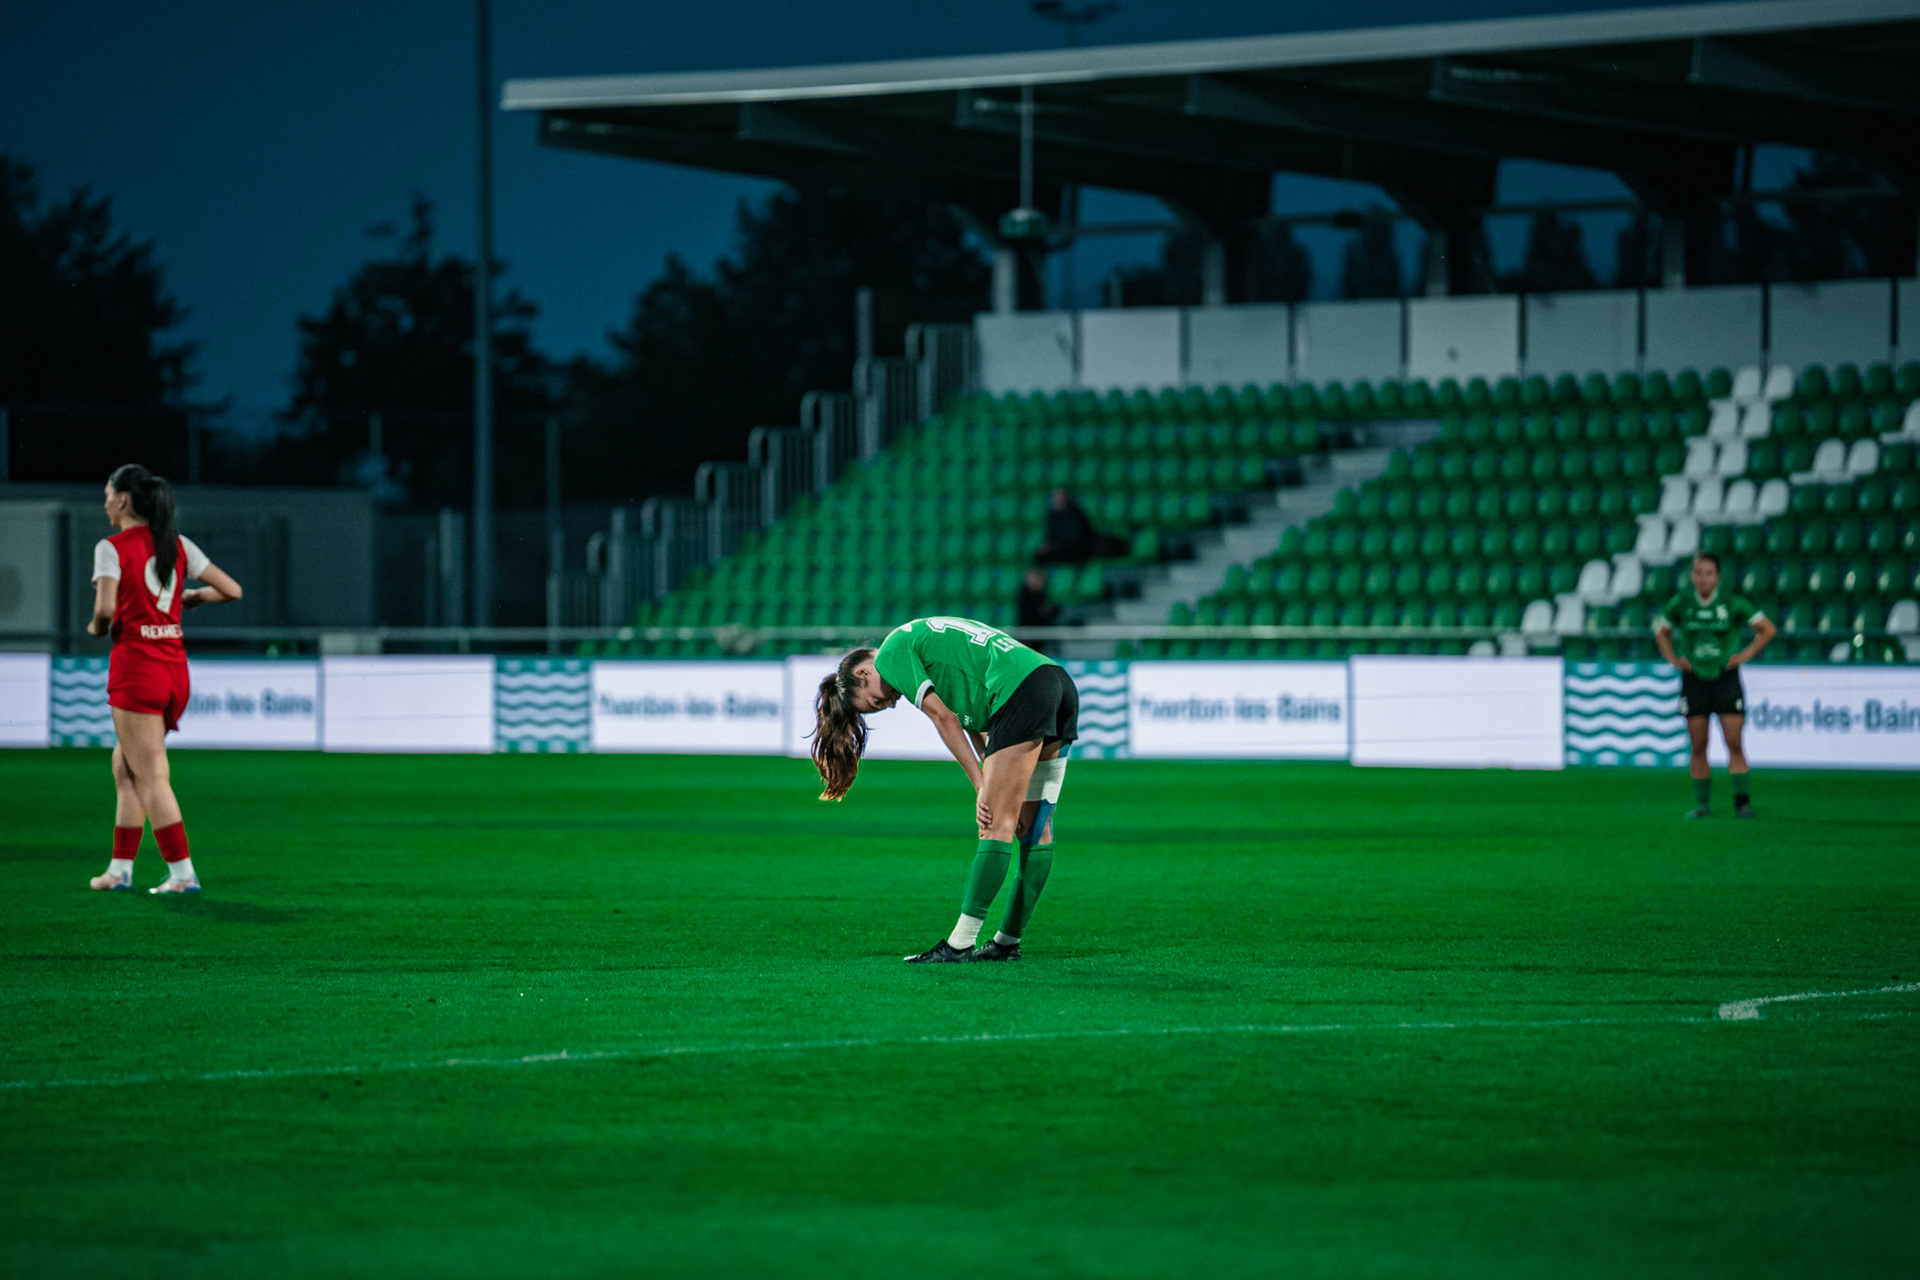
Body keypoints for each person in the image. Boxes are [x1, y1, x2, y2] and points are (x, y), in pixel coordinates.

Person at [812, 616, 1079, 963]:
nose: (890, 704)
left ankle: (959, 945)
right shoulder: (920, 642)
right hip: (1055, 682)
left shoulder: (891, 654)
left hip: (1021, 692)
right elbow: (970, 717)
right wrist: (990, 772)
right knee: (1035, 827)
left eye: (875, 703)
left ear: (863, 674)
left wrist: (982, 785)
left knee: (994, 823)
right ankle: (1007, 941)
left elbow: (945, 719)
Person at [85, 464, 244, 893]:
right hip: (174, 671)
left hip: (137, 670)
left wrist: (97, 629)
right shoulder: (176, 544)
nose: (104, 502)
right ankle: (119, 870)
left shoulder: (111, 547)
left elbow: (104, 612)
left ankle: (182, 874)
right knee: (126, 766)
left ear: (122, 499)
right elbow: (232, 589)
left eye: (107, 494)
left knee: (151, 774)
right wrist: (192, 597)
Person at [1652, 551, 1774, 820]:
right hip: (1694, 679)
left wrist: (1743, 656)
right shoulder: (1682, 602)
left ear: (1717, 577)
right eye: (1697, 572)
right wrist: (1673, 659)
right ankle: (1702, 805)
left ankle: (1742, 804)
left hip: (1725, 677)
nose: (1702, 578)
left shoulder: (1732, 602)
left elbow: (1767, 628)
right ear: (1692, 575)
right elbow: (1661, 629)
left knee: (1734, 742)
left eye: (1708, 573)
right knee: (1698, 744)